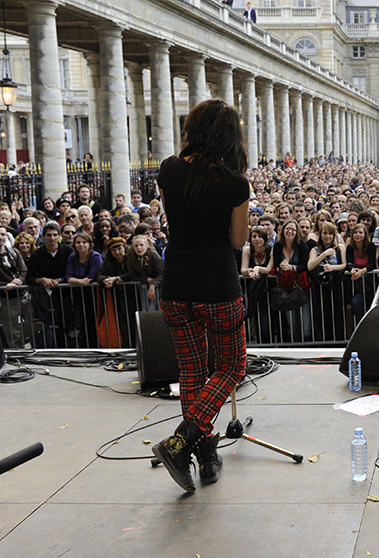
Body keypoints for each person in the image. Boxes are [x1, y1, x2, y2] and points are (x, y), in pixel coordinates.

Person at [152, 98, 250, 493]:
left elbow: (174, 219)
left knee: (192, 371)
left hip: (175, 284)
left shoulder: (169, 170)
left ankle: (206, 455)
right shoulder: (235, 183)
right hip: (217, 287)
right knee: (231, 367)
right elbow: (239, 240)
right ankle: (182, 439)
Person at [0, 223, 32, 349]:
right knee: (12, 332)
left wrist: (19, 281)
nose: (0, 237)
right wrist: (6, 285)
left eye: (3, 234)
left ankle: (22, 338)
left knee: (39, 320)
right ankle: (19, 356)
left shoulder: (14, 252)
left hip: (24, 295)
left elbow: (24, 271)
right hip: (7, 299)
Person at [65, 232, 102, 347]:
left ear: (89, 244)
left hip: (94, 294)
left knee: (92, 320)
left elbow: (91, 276)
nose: (81, 245)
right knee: (80, 320)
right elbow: (68, 277)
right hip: (78, 294)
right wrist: (80, 281)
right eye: (78, 242)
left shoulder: (95, 256)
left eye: (84, 242)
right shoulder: (72, 257)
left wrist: (77, 281)